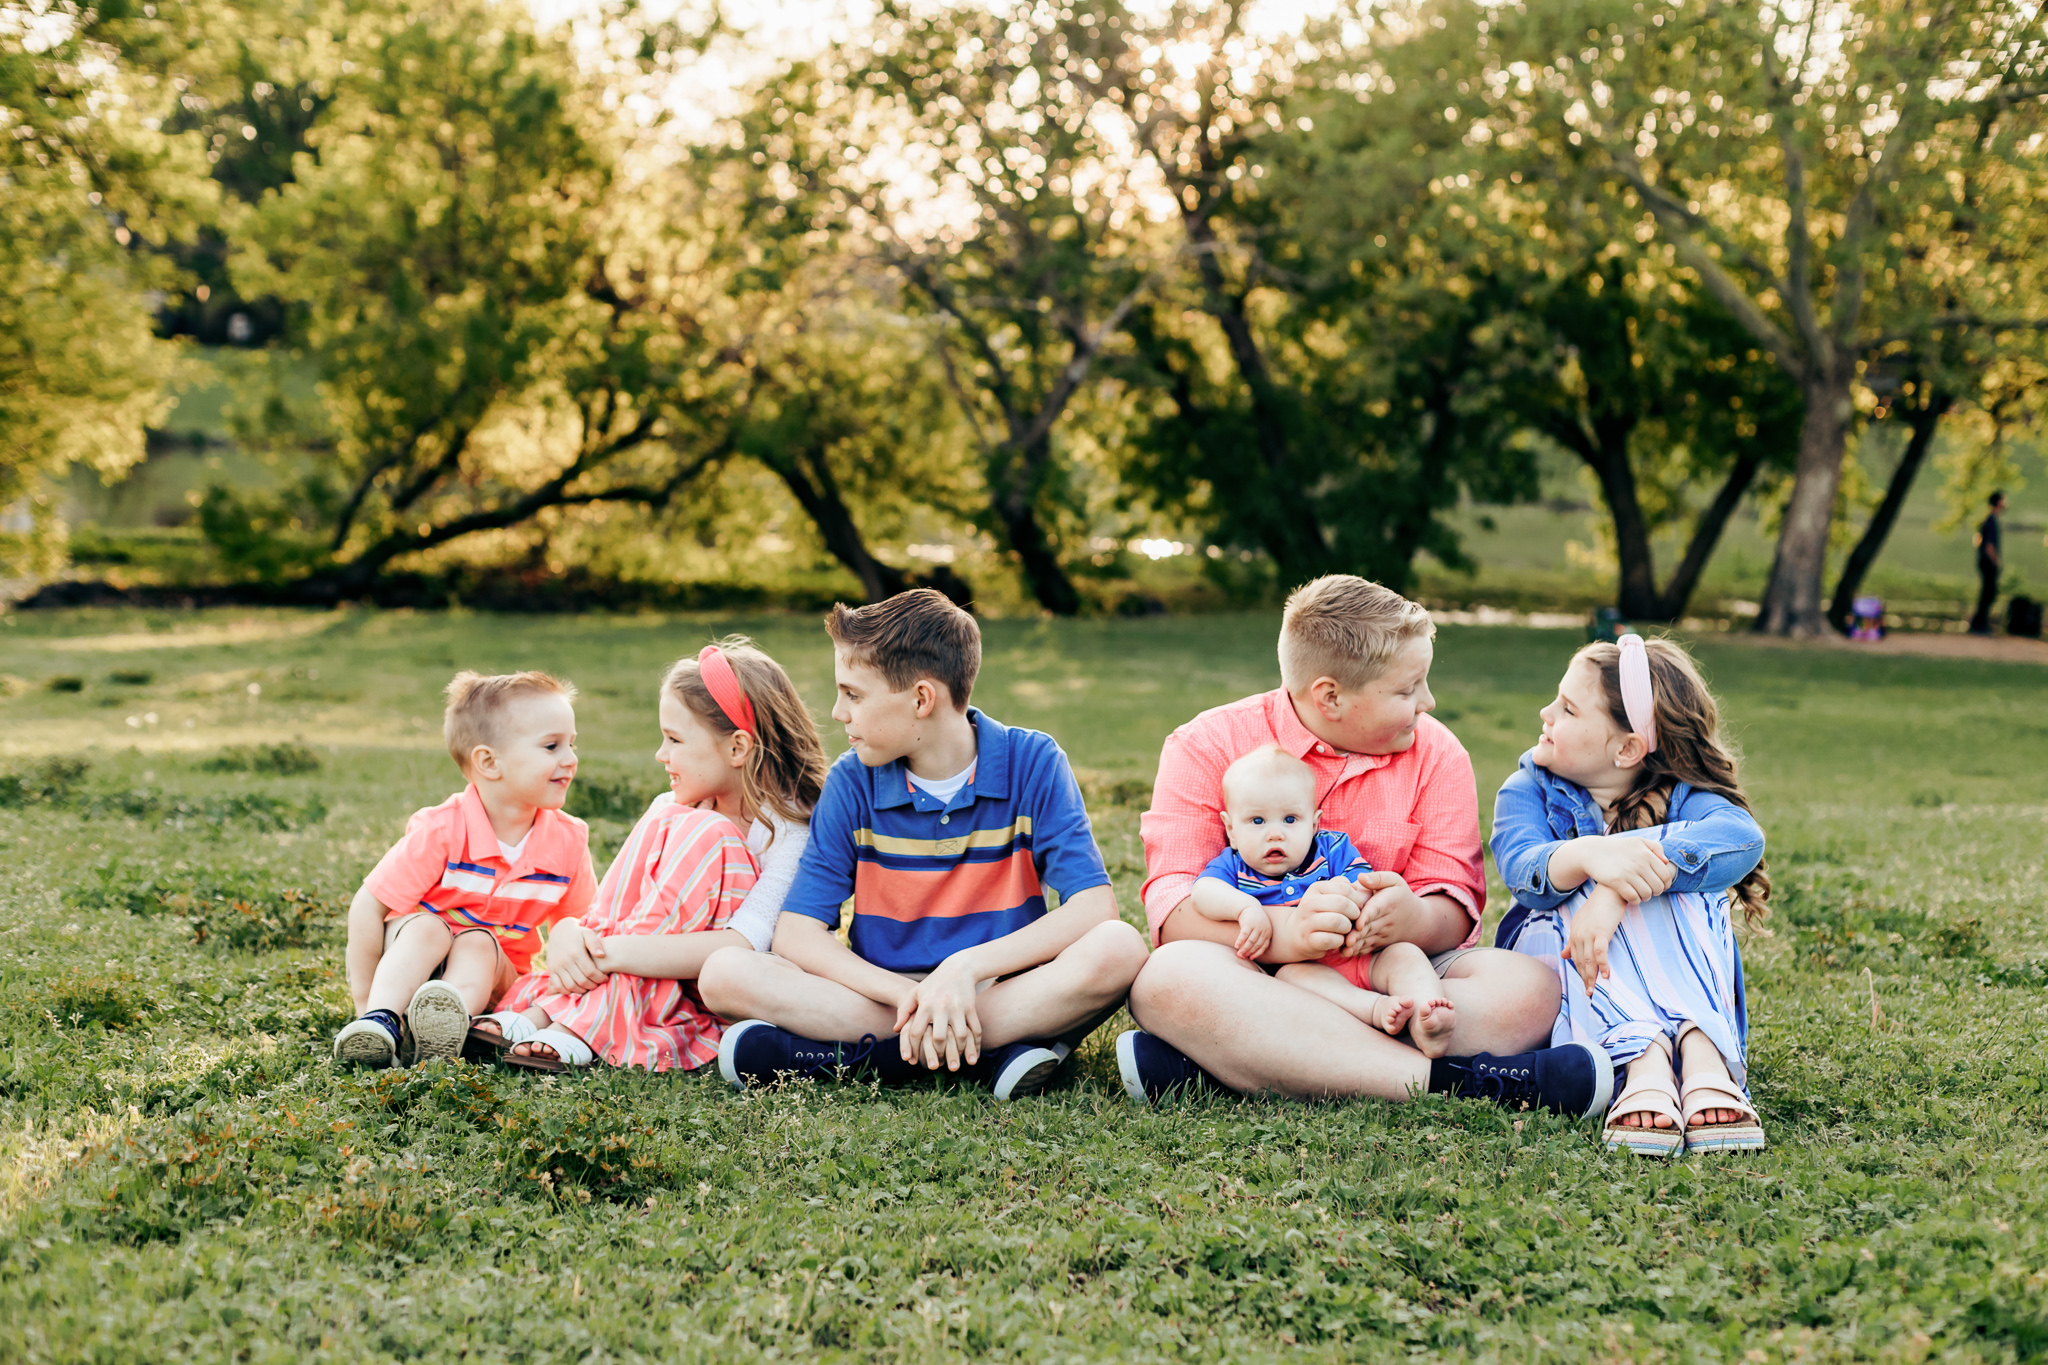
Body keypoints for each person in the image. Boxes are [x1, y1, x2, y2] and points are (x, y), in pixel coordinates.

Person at [1121, 575, 1611, 1117]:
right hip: (1252, 977)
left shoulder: (1437, 752)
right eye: (1407, 690)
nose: (1428, 701)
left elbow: (1456, 903)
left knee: (1531, 988)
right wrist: (1290, 934)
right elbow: (1174, 912)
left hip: (1387, 975)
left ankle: (1240, 1062)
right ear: (1330, 695)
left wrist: (1412, 921)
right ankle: (1460, 1083)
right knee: (1164, 981)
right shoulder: (1206, 744)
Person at [699, 589, 1148, 1101]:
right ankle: (988, 1053)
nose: (837, 711)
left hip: (997, 986)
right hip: (885, 997)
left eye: (853, 694)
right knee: (724, 973)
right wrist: (912, 996)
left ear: (920, 699)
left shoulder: (1034, 760)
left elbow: (1094, 907)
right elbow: (797, 934)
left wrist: (965, 968)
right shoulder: (853, 781)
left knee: (1120, 947)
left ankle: (864, 1060)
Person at [472, 638, 828, 1071]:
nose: (661, 755)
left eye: (674, 739)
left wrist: (608, 954)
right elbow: (614, 907)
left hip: (712, 988)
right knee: (676, 819)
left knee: (708, 831)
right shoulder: (670, 810)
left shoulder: (790, 830)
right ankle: (547, 1013)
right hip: (632, 956)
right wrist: (570, 933)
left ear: (737, 748)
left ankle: (579, 1023)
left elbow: (744, 943)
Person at [1491, 634, 1770, 1155]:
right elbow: (1522, 868)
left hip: (1635, 972)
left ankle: (1701, 1053)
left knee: (1681, 869)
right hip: (1560, 963)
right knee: (1594, 868)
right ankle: (1645, 1060)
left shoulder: (1684, 796)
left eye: (1569, 709)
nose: (1546, 712)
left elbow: (1742, 838)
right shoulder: (1527, 787)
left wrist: (1616, 890)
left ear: (1626, 749)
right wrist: (1592, 858)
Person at [333, 671, 597, 1068]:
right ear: (489, 762)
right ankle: (381, 1020)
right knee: (427, 927)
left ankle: (445, 1029)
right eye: (552, 746)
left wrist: (569, 944)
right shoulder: (442, 829)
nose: (571, 759)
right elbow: (368, 906)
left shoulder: (568, 841)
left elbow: (582, 923)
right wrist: (364, 1001)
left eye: (572, 744)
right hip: (414, 960)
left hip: (490, 978)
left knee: (478, 942)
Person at [1190, 745, 1452, 1042]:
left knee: (1405, 955)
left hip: (1358, 956)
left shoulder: (1332, 849)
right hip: (1303, 969)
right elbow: (1202, 892)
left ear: (1314, 824)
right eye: (1257, 821)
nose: (1275, 834)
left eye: (1290, 819)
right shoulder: (1233, 866)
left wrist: (1352, 896)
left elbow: (1363, 883)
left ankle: (1427, 1013)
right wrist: (1245, 908)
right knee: (1291, 978)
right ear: (1232, 830)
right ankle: (1375, 1009)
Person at [1970, 490, 2006, 635]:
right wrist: (1996, 562)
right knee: (1989, 593)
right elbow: (1989, 546)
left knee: (1988, 592)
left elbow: (1978, 540)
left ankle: (1979, 622)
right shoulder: (1991, 520)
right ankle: (1979, 624)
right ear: (1998, 502)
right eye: (2004, 500)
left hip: (1985, 562)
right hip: (1988, 563)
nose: (2005, 503)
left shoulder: (1989, 520)